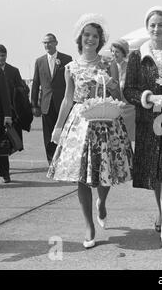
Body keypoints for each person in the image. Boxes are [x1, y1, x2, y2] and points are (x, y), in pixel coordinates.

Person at [47, 14, 133, 249]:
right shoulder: (71, 67)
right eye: (87, 35)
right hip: (80, 125)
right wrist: (57, 126)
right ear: (80, 38)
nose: (91, 39)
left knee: (105, 174)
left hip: (105, 123)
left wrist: (113, 86)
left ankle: (102, 202)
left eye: (95, 36)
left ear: (100, 40)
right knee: (81, 177)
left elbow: (118, 97)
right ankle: (89, 226)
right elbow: (67, 99)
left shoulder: (109, 63)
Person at [123, 6, 162, 253]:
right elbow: (129, 90)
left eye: (161, 24)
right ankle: (161, 215)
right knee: (155, 171)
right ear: (147, 27)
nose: (156, 28)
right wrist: (149, 98)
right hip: (148, 122)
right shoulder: (136, 56)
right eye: (152, 24)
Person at [31, 33, 72, 164]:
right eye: (45, 43)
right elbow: (36, 83)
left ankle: (63, 161)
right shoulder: (39, 61)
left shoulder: (66, 59)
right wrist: (34, 104)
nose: (47, 45)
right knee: (48, 136)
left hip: (62, 104)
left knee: (64, 133)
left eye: (49, 42)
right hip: (46, 104)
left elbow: (72, 82)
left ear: (56, 43)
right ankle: (52, 162)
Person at [0, 44, 33, 139]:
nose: (1, 58)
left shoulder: (14, 71)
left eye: (3, 55)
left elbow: (21, 91)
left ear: (6, 56)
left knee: (14, 141)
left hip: (12, 112)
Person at [110, 39, 136, 143]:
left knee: (128, 140)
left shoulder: (131, 67)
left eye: (117, 51)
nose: (114, 54)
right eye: (112, 51)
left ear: (123, 53)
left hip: (128, 109)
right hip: (113, 110)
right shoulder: (108, 67)